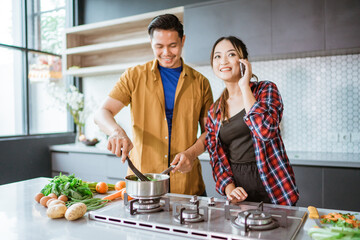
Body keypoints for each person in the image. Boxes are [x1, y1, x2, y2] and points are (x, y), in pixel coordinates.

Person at [94, 14, 213, 196]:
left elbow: (210, 132)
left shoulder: (201, 82)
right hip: (143, 183)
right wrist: (116, 132)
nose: (166, 53)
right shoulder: (134, 76)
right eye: (159, 46)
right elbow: (102, 113)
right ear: (151, 43)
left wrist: (192, 153)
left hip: (188, 186)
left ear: (183, 41)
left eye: (173, 45)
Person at [205, 36, 299, 206]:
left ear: (243, 61)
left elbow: (265, 131)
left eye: (231, 54)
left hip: (273, 183)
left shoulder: (266, 90)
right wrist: (230, 189)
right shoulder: (214, 111)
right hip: (239, 189)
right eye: (217, 56)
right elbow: (217, 159)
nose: (223, 61)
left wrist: (244, 86)